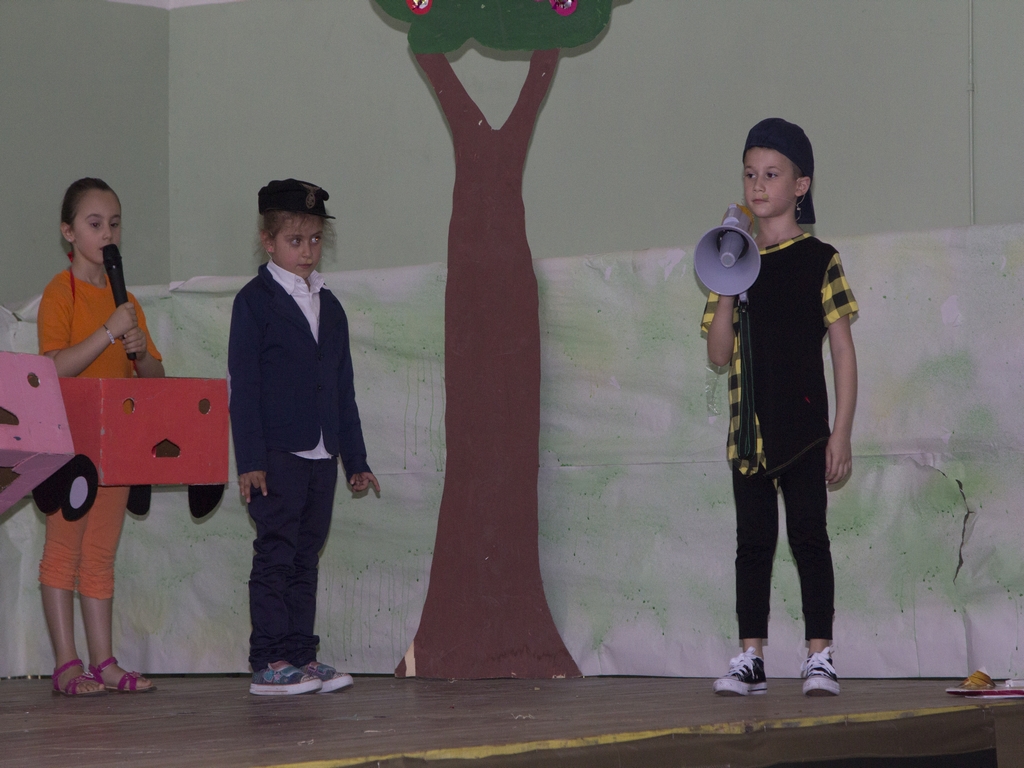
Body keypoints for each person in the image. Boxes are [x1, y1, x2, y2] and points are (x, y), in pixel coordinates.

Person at [701, 119, 858, 696]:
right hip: (749, 433)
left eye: (772, 174)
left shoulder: (820, 258)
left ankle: (820, 655)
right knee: (753, 544)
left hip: (805, 430)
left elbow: (842, 351)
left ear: (800, 185)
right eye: (750, 174)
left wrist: (841, 432)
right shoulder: (732, 264)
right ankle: (752, 656)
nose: (758, 185)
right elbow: (719, 354)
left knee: (809, 536)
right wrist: (727, 274)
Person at [228, 178, 380, 696]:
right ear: (268, 241)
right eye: (295, 240)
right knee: (275, 553)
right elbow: (244, 387)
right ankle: (268, 661)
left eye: (315, 239)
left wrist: (355, 459)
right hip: (276, 454)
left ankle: (300, 655)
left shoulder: (329, 306)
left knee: (305, 556)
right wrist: (251, 459)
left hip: (322, 454)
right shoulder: (254, 303)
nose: (307, 251)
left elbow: (343, 389)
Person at [38, 177, 165, 695]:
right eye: (94, 224)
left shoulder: (125, 299)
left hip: (115, 446)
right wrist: (109, 331)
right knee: (63, 551)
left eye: (114, 224)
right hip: (68, 448)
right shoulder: (59, 291)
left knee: (99, 555)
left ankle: (103, 661)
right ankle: (66, 664)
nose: (107, 233)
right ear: (68, 232)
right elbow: (52, 368)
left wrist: (140, 350)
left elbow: (154, 380)